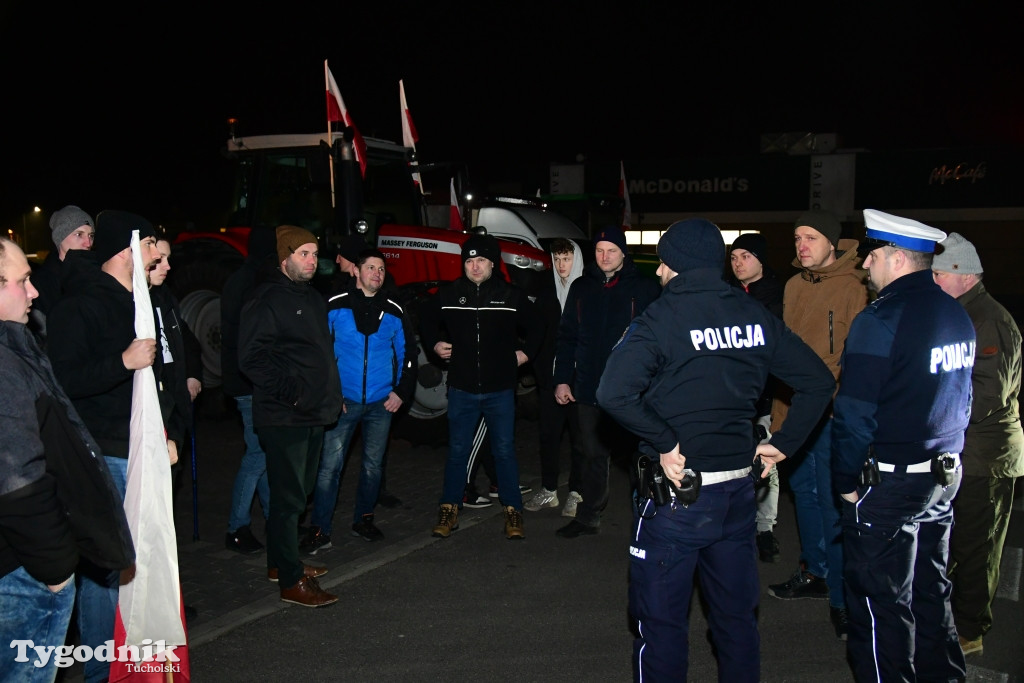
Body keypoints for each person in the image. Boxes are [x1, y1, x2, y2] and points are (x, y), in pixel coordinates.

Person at [596, 219, 834, 682]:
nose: (659, 272)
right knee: (736, 620)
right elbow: (818, 381)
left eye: (662, 262)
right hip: (738, 497)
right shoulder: (753, 314)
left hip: (676, 498)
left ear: (673, 264)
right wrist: (781, 446)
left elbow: (612, 392)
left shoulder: (661, 318)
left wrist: (664, 442)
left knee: (661, 625)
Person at [832, 209, 975, 682]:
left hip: (890, 485)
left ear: (895, 259)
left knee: (880, 607)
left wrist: (847, 482)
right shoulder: (953, 312)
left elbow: (854, 414)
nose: (864, 267)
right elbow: (962, 397)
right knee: (931, 595)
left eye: (870, 257)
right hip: (941, 478)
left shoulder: (881, 319)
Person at [0, 238, 133, 683]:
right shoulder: (4, 364)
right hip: (22, 571)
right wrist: (56, 567)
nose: (34, 292)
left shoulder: (15, 345)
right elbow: (18, 479)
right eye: (21, 282)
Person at [46, 210, 164, 683]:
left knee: (132, 562)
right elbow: (65, 381)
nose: (157, 254)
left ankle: (127, 660)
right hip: (104, 450)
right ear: (126, 250)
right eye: (150, 243)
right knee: (106, 565)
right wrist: (122, 360)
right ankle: (98, 671)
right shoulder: (80, 307)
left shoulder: (136, 301)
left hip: (137, 444)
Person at [767, 210, 867, 640]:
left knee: (833, 501)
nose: (802, 245)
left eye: (810, 237)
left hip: (829, 413)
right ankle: (813, 572)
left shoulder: (854, 287)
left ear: (832, 243)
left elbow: (856, 359)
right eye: (796, 239)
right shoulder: (792, 285)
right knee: (803, 495)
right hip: (791, 408)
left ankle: (843, 599)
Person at [239, 225, 342, 607]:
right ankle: (291, 581)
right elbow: (252, 358)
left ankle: (280, 562)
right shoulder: (266, 299)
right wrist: (294, 395)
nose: (312, 261)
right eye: (303, 254)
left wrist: (330, 394)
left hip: (314, 412)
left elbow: (317, 356)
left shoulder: (312, 298)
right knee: (288, 499)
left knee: (299, 493)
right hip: (286, 416)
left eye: (315, 254)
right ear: (285, 259)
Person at [931, 232, 1023, 657]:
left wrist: (936, 418)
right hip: (962, 449)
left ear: (963, 276)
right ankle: (954, 617)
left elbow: (987, 393)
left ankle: (971, 629)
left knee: (977, 544)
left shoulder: (988, 318)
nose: (931, 281)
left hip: (986, 455)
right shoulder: (962, 313)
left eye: (937, 274)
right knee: (953, 541)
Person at [419, 233, 543, 540]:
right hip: (461, 388)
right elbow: (425, 319)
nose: (475, 267)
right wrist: (434, 343)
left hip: (500, 389)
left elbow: (539, 326)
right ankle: (449, 510)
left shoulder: (510, 295)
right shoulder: (449, 293)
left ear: (492, 263)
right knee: (458, 451)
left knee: (503, 451)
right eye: (470, 261)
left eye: (481, 261)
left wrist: (526, 353)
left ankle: (513, 512)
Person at [301, 248, 416, 553]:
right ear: (356, 271)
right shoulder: (334, 306)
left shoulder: (395, 310)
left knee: (372, 467)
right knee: (329, 469)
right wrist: (330, 395)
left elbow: (408, 356)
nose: (377, 273)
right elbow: (320, 355)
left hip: (381, 403)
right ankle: (320, 530)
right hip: (344, 402)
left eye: (381, 269)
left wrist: (401, 392)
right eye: (370, 268)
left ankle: (364, 520)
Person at [553, 225, 660, 538]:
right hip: (588, 387)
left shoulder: (645, 288)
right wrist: (562, 380)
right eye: (599, 250)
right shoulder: (582, 288)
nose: (604, 256)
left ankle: (648, 518)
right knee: (591, 454)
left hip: (631, 391)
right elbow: (567, 336)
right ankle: (588, 516)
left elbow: (658, 339)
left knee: (640, 456)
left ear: (623, 253)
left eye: (611, 250)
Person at [728, 232, 784, 562]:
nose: (738, 263)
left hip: (764, 394)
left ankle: (765, 530)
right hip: (730, 394)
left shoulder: (779, 296)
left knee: (765, 462)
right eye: (733, 258)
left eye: (744, 257)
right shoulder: (726, 293)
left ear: (760, 259)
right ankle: (736, 527)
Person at [222, 228, 276, 554]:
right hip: (251, 383)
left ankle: (273, 520)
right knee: (257, 456)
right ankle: (237, 527)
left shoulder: (239, 279)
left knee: (264, 455)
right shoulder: (254, 283)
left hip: (244, 380)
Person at [525, 237, 586, 515]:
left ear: (577, 260)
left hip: (581, 379)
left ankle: (577, 492)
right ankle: (549, 490)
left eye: (567, 258)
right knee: (548, 435)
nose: (561, 265)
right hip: (550, 378)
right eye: (557, 259)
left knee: (580, 438)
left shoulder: (589, 289)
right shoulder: (544, 288)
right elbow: (536, 331)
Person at [148, 238, 203, 473]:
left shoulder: (167, 297)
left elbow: (187, 339)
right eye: (159, 259)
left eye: (168, 258)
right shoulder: (133, 302)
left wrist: (192, 374)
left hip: (174, 400)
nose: (167, 266)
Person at [31, 204, 95, 316]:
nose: (88, 243)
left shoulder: (97, 274)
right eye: (79, 234)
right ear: (59, 237)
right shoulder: (40, 283)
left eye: (91, 235)